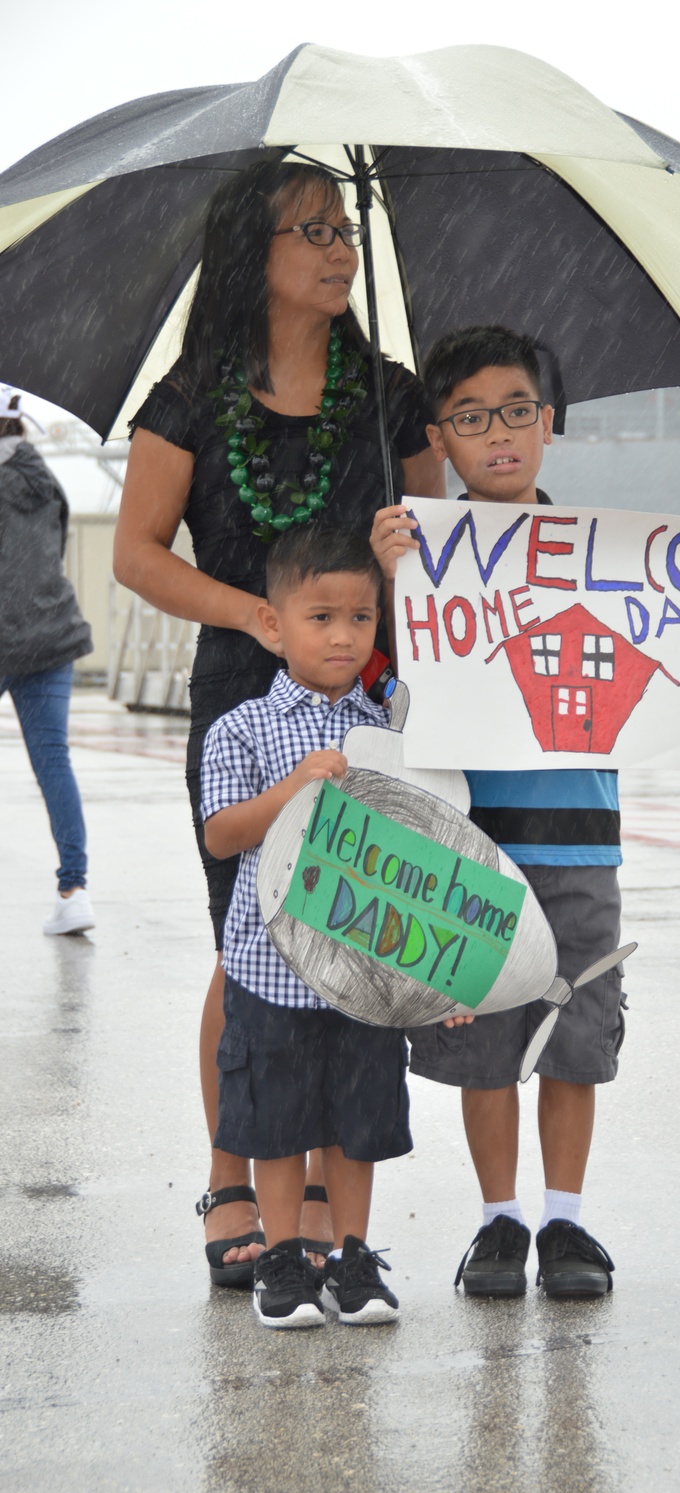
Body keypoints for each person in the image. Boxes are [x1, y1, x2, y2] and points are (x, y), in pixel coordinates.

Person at [370, 325, 680, 1299]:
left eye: (516, 411)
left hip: (581, 835)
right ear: (438, 437)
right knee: (480, 1032)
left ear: (550, 424)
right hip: (466, 838)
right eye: (471, 417)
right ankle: (498, 1221)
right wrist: (387, 569)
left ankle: (565, 1220)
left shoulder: (609, 560)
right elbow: (377, 675)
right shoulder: (418, 555)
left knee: (573, 1027)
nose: (498, 434)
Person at [114, 158, 443, 1285]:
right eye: (312, 231)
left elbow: (441, 553)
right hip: (242, 698)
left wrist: (411, 540)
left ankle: (318, 1196)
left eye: (344, 228)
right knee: (250, 944)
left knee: (343, 931)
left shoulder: (389, 393)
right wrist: (253, 613)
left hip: (365, 699)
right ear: (252, 254)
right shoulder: (192, 395)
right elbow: (136, 555)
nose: (338, 248)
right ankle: (230, 1176)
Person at [201, 525, 409, 1329]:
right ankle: (284, 1261)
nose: (343, 635)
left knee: (356, 1128)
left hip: (362, 972)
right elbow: (221, 835)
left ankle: (352, 1258)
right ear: (275, 624)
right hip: (272, 967)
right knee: (278, 1124)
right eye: (320, 616)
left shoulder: (390, 731)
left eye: (360, 617)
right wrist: (291, 791)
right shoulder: (241, 729)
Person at [0, 385, 95, 936]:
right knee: (53, 762)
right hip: (52, 635)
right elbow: (51, 552)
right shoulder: (43, 479)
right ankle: (74, 890)